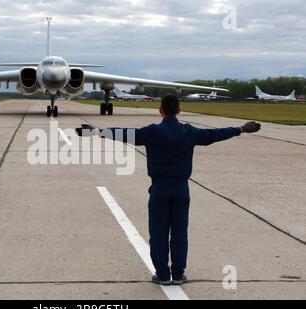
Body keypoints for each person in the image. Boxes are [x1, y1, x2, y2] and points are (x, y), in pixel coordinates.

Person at [76, 94, 261, 286]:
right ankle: (178, 274)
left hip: (159, 188)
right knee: (180, 233)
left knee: (158, 233)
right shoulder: (189, 132)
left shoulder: (152, 132)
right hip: (181, 188)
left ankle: (163, 274)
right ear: (179, 111)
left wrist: (97, 132)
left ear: (161, 110)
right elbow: (213, 135)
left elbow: (126, 133)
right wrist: (241, 129)